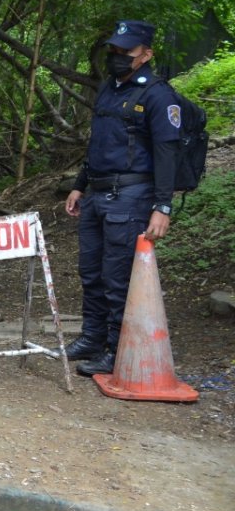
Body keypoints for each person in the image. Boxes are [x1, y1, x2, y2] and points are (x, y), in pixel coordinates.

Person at [62, 20, 180, 376]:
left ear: (146, 54)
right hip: (98, 192)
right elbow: (99, 142)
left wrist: (162, 206)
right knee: (90, 271)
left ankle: (117, 349)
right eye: (114, 50)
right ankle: (92, 337)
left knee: (117, 276)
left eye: (125, 52)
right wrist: (80, 183)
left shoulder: (158, 95)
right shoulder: (109, 89)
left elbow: (166, 153)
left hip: (131, 196)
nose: (116, 56)